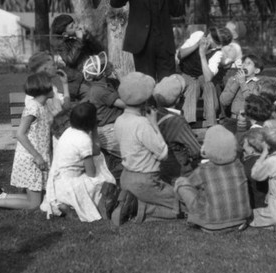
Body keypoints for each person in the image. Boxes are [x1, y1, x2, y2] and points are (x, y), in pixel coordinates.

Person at [0, 73, 54, 212]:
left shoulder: (42, 106)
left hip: (37, 156)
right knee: (34, 204)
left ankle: (1, 195)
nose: (54, 89)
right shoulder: (34, 108)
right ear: (44, 88)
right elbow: (20, 134)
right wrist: (37, 156)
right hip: (31, 158)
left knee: (37, 198)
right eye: (51, 86)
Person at [112, 72, 183, 226]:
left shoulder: (119, 120)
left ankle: (129, 199)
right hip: (146, 180)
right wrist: (154, 124)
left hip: (126, 176)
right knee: (183, 204)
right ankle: (139, 208)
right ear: (145, 101)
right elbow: (163, 153)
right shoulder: (142, 124)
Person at [40, 102, 118, 221]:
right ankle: (83, 204)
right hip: (71, 185)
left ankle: (64, 204)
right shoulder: (84, 140)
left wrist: (94, 129)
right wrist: (95, 130)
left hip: (58, 182)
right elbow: (91, 172)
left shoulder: (69, 131)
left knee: (98, 161)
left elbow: (96, 151)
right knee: (105, 179)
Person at [174, 125, 251, 233]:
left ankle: (181, 212)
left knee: (181, 182)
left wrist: (204, 155)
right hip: (241, 222)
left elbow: (189, 183)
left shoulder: (204, 169)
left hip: (212, 225)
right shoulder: (238, 165)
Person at [81, 52, 125, 180]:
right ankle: (115, 181)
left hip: (113, 126)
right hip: (108, 130)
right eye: (107, 66)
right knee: (133, 156)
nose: (111, 66)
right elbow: (125, 104)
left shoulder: (107, 83)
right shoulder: (100, 90)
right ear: (102, 73)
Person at [178, 27, 233, 127]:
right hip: (185, 73)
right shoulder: (198, 35)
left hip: (201, 76)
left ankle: (210, 122)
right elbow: (180, 55)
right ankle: (188, 122)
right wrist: (196, 46)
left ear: (219, 45)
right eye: (209, 34)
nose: (208, 38)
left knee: (209, 85)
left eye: (212, 38)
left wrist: (202, 54)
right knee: (193, 85)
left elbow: (208, 77)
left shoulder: (217, 53)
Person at [151, 74, 201, 184]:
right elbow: (196, 151)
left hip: (161, 171)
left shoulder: (154, 114)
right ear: (179, 100)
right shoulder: (177, 122)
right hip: (181, 174)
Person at [50, 14, 104, 100]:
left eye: (75, 23)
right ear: (65, 34)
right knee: (94, 95)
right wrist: (79, 40)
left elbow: (99, 50)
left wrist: (88, 36)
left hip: (92, 75)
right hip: (78, 81)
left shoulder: (80, 38)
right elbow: (70, 60)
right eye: (72, 26)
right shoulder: (61, 45)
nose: (76, 26)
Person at [220, 54, 263, 133]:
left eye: (248, 63)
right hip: (233, 120)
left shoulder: (258, 84)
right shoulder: (232, 80)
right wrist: (236, 83)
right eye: (243, 63)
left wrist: (242, 83)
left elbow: (252, 102)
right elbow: (224, 101)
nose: (244, 65)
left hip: (250, 121)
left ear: (256, 70)